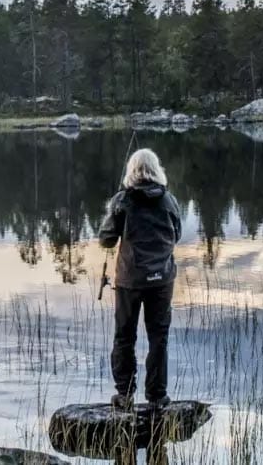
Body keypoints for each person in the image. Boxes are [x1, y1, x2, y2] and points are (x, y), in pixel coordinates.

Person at [98, 147, 183, 410]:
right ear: (157, 170)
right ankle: (157, 396)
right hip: (162, 280)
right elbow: (177, 234)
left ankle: (125, 395)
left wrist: (110, 212)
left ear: (132, 171)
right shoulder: (169, 201)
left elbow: (106, 239)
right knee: (159, 336)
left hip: (130, 280)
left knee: (125, 336)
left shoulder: (123, 200)